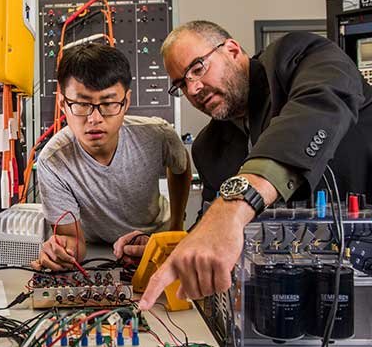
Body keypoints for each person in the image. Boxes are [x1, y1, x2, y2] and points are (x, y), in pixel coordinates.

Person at [132, 20, 372, 310]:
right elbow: (213, 225)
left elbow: (319, 105)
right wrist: (173, 247)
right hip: (286, 305)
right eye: (182, 84)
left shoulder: (298, 56)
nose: (193, 88)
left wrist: (237, 200)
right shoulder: (209, 148)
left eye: (198, 68)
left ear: (232, 50)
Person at [31, 43, 191, 271]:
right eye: (81, 104)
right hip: (97, 249)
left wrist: (176, 226)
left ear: (126, 102)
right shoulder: (54, 162)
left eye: (107, 104)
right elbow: (73, 239)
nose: (94, 118)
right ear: (62, 103)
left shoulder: (158, 135)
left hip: (155, 239)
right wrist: (62, 250)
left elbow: (181, 165)